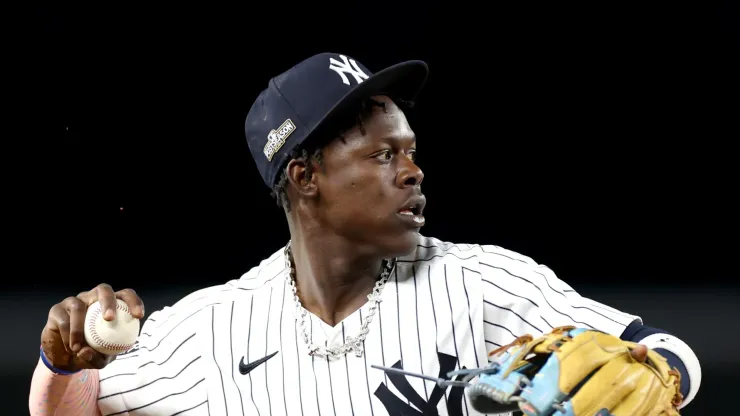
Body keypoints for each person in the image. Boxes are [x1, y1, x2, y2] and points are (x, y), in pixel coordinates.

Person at [30, 52, 701, 416]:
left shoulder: (484, 281)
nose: (413, 172)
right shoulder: (213, 328)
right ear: (305, 175)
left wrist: (661, 371)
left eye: (409, 149)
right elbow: (70, 412)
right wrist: (62, 362)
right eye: (383, 155)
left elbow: (665, 349)